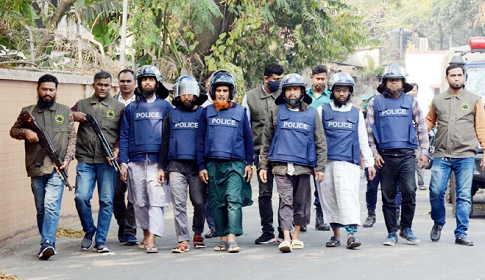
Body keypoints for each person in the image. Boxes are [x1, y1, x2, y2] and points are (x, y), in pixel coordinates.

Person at [10, 74, 76, 260]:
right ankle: (46, 241)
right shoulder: (27, 112)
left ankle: (48, 243)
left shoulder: (65, 111)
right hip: (36, 168)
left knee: (51, 206)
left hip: (58, 168)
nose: (48, 93)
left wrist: (68, 160)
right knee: (41, 208)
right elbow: (13, 131)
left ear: (56, 91)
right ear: (38, 89)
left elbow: (72, 138)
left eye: (51, 90)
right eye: (44, 89)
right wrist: (26, 132)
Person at [259, 73, 327, 253]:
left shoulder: (312, 114)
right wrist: (263, 166)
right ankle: (286, 237)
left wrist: (320, 168)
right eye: (289, 90)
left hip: (304, 167)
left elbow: (320, 141)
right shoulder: (276, 111)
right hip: (280, 165)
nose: (292, 93)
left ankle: (296, 235)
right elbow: (267, 140)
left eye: (295, 89)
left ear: (302, 92)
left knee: (302, 202)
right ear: (284, 92)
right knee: (285, 200)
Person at [366, 64, 429, 246]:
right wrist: (374, 153)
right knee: (388, 195)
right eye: (390, 80)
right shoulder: (375, 102)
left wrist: (424, 152)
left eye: (397, 80)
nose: (394, 83)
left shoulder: (412, 102)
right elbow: (369, 131)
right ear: (384, 83)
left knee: (410, 190)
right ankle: (391, 232)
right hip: (384, 157)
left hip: (407, 155)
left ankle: (406, 229)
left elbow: (422, 128)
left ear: (403, 83)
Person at [426, 64, 485, 246]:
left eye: (460, 75)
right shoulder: (438, 100)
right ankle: (438, 222)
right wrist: (416, 134)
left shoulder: (475, 100)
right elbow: (429, 121)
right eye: (453, 75)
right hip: (442, 155)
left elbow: (481, 127)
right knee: (435, 192)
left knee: (464, 195)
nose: (457, 78)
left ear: (464, 78)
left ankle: (461, 233)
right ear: (447, 78)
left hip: (465, 155)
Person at [196, 70, 254, 253]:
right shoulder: (206, 112)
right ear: (213, 92)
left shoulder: (240, 111)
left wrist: (249, 163)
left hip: (235, 164)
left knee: (233, 199)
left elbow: (248, 139)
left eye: (225, 90)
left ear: (231, 92)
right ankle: (222, 237)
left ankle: (232, 237)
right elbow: (200, 140)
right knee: (217, 201)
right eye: (219, 90)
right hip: (213, 164)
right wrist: (201, 166)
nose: (222, 93)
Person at [318, 72, 376, 249]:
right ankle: (335, 235)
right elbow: (317, 138)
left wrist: (369, 163)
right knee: (330, 198)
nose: (341, 94)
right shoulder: (322, 111)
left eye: (345, 90)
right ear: (332, 91)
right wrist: (316, 165)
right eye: (338, 90)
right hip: (327, 164)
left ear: (350, 92)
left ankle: (351, 235)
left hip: (349, 164)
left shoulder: (356, 113)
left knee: (348, 198)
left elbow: (362, 139)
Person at [119, 65, 172, 253]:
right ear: (139, 83)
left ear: (157, 83)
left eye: (151, 79)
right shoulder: (131, 108)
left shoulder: (166, 107)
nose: (147, 82)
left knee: (156, 200)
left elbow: (169, 137)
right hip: (135, 162)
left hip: (157, 163)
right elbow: (124, 135)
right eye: (144, 79)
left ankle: (152, 240)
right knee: (139, 202)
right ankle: (146, 233)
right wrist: (123, 162)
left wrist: (165, 166)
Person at [72, 71, 125, 253]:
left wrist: (117, 150)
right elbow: (64, 118)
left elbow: (122, 133)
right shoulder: (82, 104)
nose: (103, 88)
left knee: (106, 201)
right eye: (100, 84)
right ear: (94, 85)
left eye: (106, 85)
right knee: (81, 197)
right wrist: (74, 115)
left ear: (111, 86)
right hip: (85, 159)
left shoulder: (119, 107)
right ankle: (89, 230)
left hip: (107, 161)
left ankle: (100, 240)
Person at [158, 75, 208, 253]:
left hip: (197, 166)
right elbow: (164, 142)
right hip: (175, 166)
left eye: (190, 94)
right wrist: (161, 167)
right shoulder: (171, 114)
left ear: (196, 94)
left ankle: (197, 232)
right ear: (178, 95)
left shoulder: (203, 113)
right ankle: (183, 239)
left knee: (200, 202)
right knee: (178, 204)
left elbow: (207, 140)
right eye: (183, 94)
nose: (187, 97)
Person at [242, 62, 284, 244]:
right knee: (264, 194)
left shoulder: (284, 96)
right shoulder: (250, 97)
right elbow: (244, 128)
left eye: (280, 79)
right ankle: (267, 231)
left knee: (285, 193)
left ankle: (284, 230)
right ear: (265, 78)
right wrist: (248, 159)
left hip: (283, 154)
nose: (278, 83)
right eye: (275, 80)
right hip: (261, 155)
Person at [112, 69, 138, 245]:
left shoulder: (142, 103)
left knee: (134, 196)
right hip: (115, 155)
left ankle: (130, 230)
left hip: (136, 155)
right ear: (118, 83)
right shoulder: (111, 103)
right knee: (115, 195)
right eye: (122, 81)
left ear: (135, 83)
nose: (125, 84)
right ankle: (122, 224)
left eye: (129, 81)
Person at [306, 65, 331, 231]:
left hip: (322, 143)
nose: (320, 82)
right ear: (311, 77)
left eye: (323, 79)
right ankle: (300, 218)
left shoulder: (330, 97)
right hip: (303, 142)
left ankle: (320, 216)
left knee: (320, 182)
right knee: (300, 183)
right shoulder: (303, 95)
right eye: (317, 79)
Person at [200, 71, 217, 239]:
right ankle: (213, 226)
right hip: (207, 156)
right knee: (208, 195)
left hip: (226, 157)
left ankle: (224, 226)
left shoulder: (232, 105)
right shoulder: (203, 107)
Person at [408, 83, 426, 190]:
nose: (412, 92)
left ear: (417, 92)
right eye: (410, 90)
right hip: (408, 139)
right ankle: (412, 184)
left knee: (419, 160)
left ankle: (421, 182)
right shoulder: (405, 104)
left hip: (417, 138)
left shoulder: (419, 104)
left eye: (414, 90)